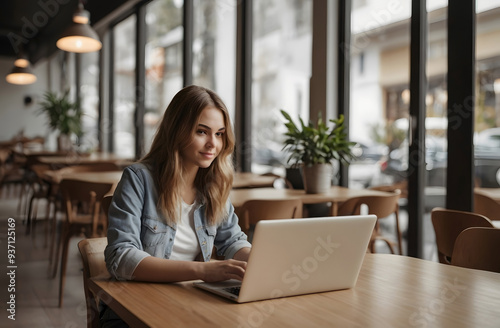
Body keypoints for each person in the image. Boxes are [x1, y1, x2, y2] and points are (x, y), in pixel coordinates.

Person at [101, 85, 251, 327]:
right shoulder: (139, 179)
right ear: (177, 131)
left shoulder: (213, 185)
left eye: (220, 134)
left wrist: (258, 259)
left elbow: (233, 241)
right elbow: (121, 257)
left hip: (189, 302)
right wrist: (202, 271)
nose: (213, 144)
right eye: (202, 132)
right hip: (134, 309)